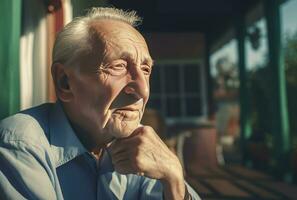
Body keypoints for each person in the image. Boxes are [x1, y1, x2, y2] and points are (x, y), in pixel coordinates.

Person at [0, 7, 200, 200]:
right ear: (65, 82)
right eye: (118, 66)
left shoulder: (138, 143)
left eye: (146, 70)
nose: (143, 90)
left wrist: (174, 180)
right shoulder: (20, 143)